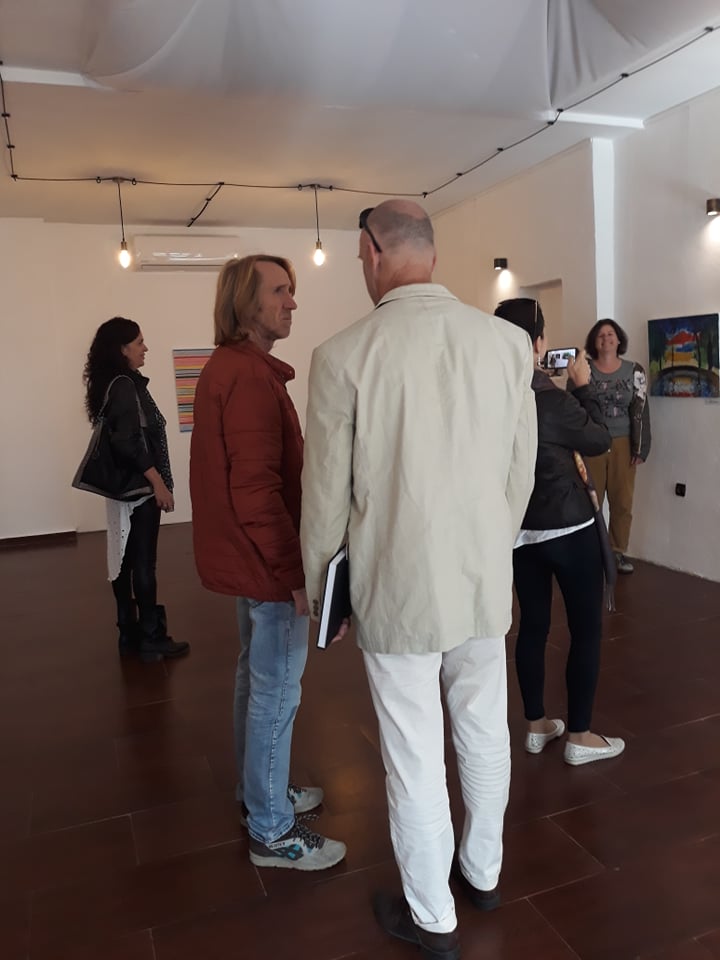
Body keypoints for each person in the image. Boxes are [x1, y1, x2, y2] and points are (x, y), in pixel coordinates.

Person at [301, 201, 537, 960]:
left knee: (413, 752)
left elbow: (325, 496)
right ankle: (484, 871)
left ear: (372, 252)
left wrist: (323, 590)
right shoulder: (506, 344)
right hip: (481, 581)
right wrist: (489, 547)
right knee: (484, 729)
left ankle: (433, 915)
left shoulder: (343, 355)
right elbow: (521, 473)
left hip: (396, 586)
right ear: (429, 254)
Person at [189, 254, 346, 872]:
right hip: (264, 566)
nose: (292, 302)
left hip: (247, 561)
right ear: (246, 304)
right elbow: (257, 493)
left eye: (291, 291)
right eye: (280, 291)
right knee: (275, 692)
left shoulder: (232, 368)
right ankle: (273, 829)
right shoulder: (250, 378)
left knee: (255, 681)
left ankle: (260, 793)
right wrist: (293, 576)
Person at [494, 299, 625, 767]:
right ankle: (580, 735)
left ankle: (536, 726)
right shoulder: (552, 399)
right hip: (570, 528)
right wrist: (583, 387)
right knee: (585, 629)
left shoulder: (490, 397)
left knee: (532, 625)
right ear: (538, 343)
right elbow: (598, 439)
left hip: (520, 533)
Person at [82, 317, 190, 662]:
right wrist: (158, 483)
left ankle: (128, 630)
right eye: (139, 342)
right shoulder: (125, 386)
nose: (146, 348)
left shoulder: (111, 384)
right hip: (140, 489)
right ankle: (152, 637)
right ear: (123, 349)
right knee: (144, 562)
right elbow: (128, 441)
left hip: (124, 490)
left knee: (126, 560)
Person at [579, 318, 651, 574]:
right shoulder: (583, 369)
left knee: (622, 502)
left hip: (624, 444)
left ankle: (617, 552)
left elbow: (641, 410)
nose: (606, 339)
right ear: (594, 342)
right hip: (592, 443)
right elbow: (573, 406)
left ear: (619, 339)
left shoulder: (635, 371)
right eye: (600, 335)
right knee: (590, 502)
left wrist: (640, 448)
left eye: (610, 334)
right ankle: (591, 552)